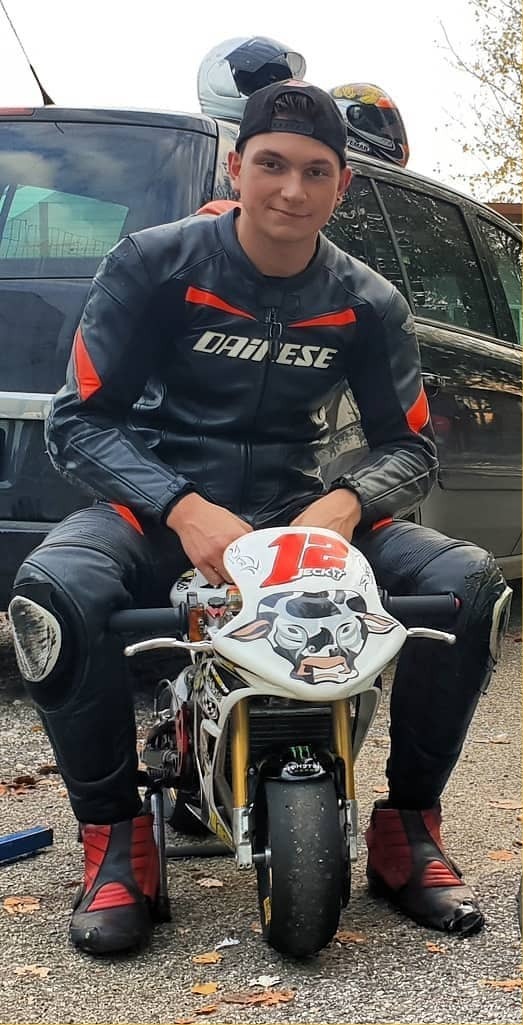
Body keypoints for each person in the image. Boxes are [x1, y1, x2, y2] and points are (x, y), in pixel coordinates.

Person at [9, 81, 510, 956]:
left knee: (466, 582)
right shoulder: (152, 264)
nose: (290, 189)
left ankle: (407, 830)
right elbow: (77, 421)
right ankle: (117, 844)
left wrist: (346, 502)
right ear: (236, 167)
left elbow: (410, 448)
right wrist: (180, 505)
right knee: (55, 587)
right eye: (271, 164)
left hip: (293, 509)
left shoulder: (368, 300)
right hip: (151, 504)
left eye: (315, 172)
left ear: (341, 187)